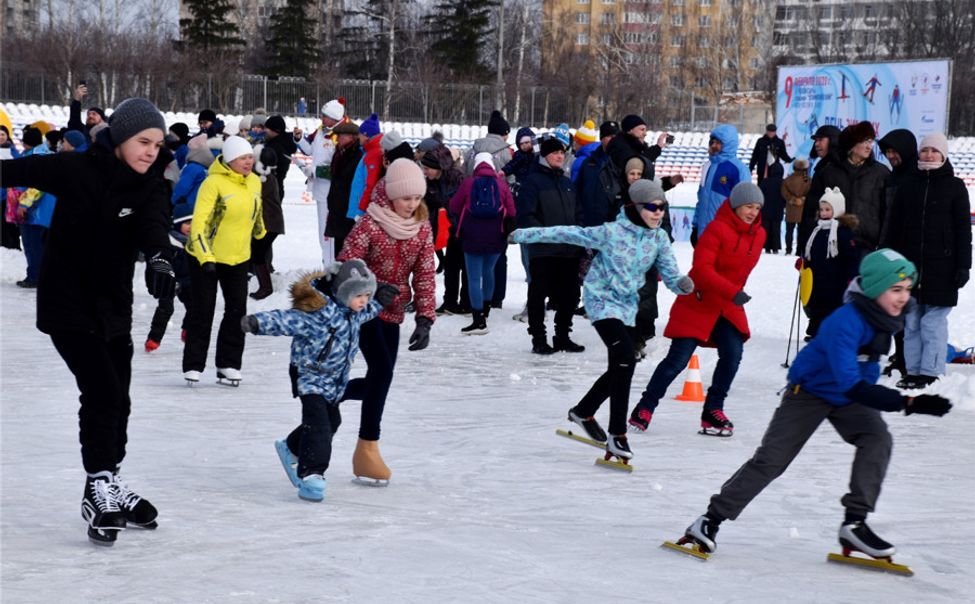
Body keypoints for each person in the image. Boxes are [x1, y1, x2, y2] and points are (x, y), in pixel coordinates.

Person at [678, 249, 953, 559]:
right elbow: (850, 381)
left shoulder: (886, 317)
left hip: (849, 396)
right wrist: (908, 402)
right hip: (809, 392)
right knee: (772, 460)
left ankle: (854, 524)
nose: (903, 298)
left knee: (877, 439)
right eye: (895, 289)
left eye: (906, 289)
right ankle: (709, 520)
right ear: (876, 288)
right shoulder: (845, 322)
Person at [2, 98, 178, 544]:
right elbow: (17, 173)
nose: (151, 152)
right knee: (101, 389)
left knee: (120, 397)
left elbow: (154, 227)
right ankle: (97, 484)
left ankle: (109, 480)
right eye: (143, 142)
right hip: (67, 305)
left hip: (113, 307)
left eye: (157, 144)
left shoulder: (152, 186)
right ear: (120, 138)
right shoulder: (76, 169)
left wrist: (159, 257)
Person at [512, 180, 693, 460]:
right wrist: (524, 234)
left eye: (662, 207)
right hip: (601, 302)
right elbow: (567, 233)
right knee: (625, 359)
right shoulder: (611, 232)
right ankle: (617, 436)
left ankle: (583, 411)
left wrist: (681, 283)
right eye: (652, 207)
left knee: (622, 366)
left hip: (628, 308)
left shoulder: (659, 239)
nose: (659, 213)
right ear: (634, 207)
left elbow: (670, 273)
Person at [242, 261, 398, 501]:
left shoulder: (353, 313)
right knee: (320, 426)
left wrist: (380, 300)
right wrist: (258, 323)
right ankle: (311, 475)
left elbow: (368, 311)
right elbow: (287, 319)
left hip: (335, 382)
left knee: (332, 419)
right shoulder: (318, 314)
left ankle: (291, 447)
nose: (364, 300)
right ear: (342, 293)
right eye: (359, 295)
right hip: (310, 377)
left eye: (367, 294)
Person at [629, 182, 767, 436]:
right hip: (699, 299)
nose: (752, 212)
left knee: (733, 353)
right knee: (677, 360)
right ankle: (645, 407)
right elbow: (702, 270)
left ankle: (713, 411)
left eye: (757, 208)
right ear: (736, 205)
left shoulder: (759, 235)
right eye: (748, 206)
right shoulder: (717, 229)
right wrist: (731, 291)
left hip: (727, 304)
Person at [337, 159, 436, 485]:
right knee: (381, 372)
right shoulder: (369, 224)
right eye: (406, 198)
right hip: (362, 310)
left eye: (417, 198)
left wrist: (425, 318)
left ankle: (329, 395)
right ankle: (367, 449)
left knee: (382, 379)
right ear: (392, 195)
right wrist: (372, 287)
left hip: (393, 312)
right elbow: (347, 264)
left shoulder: (421, 227)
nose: (412, 205)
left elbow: (424, 274)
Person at [882, 133, 972, 390]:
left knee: (932, 323)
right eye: (925, 150)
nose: (929, 155)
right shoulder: (908, 185)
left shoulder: (954, 187)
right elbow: (894, 226)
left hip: (943, 268)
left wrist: (963, 265)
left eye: (934, 150)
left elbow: (963, 229)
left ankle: (930, 372)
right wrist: (888, 259)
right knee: (911, 322)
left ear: (943, 154)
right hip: (910, 268)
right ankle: (913, 370)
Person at [182, 136, 266, 385]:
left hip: (238, 257)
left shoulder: (253, 182)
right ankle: (194, 365)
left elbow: (256, 211)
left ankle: (228, 364)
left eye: (250, 156)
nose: (248, 161)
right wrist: (206, 257)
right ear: (230, 160)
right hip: (205, 255)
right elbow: (200, 223)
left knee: (237, 311)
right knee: (203, 310)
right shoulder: (213, 183)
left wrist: (260, 235)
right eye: (242, 158)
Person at [517, 137, 584, 355]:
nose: (560, 156)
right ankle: (538, 338)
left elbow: (579, 214)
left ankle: (562, 336)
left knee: (571, 296)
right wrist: (547, 236)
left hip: (569, 250)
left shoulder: (567, 184)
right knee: (538, 294)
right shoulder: (533, 182)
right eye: (555, 152)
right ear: (545, 155)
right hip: (543, 251)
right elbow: (527, 216)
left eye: (562, 152)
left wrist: (578, 235)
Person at [448, 152, 517, 334]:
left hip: (471, 237)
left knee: (473, 278)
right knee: (489, 273)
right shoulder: (502, 185)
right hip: (496, 238)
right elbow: (511, 211)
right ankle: (486, 311)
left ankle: (478, 320)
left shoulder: (468, 183)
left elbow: (454, 206)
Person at [801, 122, 889, 255]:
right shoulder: (828, 172)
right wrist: (807, 243)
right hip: (832, 244)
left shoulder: (881, 173)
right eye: (864, 141)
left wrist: (883, 243)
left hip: (867, 246)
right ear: (851, 145)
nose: (869, 146)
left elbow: (886, 212)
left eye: (870, 141)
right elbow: (811, 210)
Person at [802, 188, 860, 339]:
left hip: (836, 281)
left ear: (838, 210)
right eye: (821, 209)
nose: (824, 213)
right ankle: (816, 334)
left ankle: (831, 334)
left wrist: (850, 277)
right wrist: (804, 262)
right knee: (817, 308)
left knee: (832, 309)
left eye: (828, 209)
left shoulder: (843, 232)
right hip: (818, 280)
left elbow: (851, 257)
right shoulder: (817, 230)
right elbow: (811, 250)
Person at [295, 97, 346, 266]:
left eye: (325, 116)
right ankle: (327, 264)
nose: (322, 119)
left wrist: (315, 171)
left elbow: (339, 168)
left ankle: (331, 268)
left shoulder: (341, 136)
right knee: (321, 234)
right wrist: (300, 138)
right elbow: (310, 150)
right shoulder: (321, 131)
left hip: (331, 193)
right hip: (319, 190)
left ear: (334, 118)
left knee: (328, 234)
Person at [11, 126, 57, 288]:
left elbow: (37, 186)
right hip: (46, 210)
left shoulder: (36, 157)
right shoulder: (48, 154)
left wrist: (24, 204)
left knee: (33, 245)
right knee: (41, 246)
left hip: (35, 210)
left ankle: (35, 277)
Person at [692, 124, 750, 244]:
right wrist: (695, 226)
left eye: (718, 143)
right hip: (703, 232)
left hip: (726, 233)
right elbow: (701, 199)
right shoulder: (707, 166)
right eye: (712, 142)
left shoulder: (739, 169)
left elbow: (744, 204)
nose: (713, 146)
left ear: (728, 145)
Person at [249, 145, 284, 300]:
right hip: (270, 223)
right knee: (258, 253)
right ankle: (265, 286)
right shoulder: (269, 177)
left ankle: (266, 287)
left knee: (258, 253)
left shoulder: (265, 180)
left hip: (269, 223)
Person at [324, 120, 363, 256]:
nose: (338, 139)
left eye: (342, 136)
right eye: (338, 136)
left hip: (348, 210)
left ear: (352, 137)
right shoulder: (339, 153)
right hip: (337, 208)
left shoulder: (357, 155)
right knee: (338, 248)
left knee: (348, 249)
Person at [465, 110, 512, 174]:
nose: (508, 137)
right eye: (507, 134)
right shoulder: (505, 152)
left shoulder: (472, 151)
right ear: (503, 133)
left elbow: (464, 174)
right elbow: (511, 178)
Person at [781, 158, 811, 255]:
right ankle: (799, 250)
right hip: (803, 210)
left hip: (791, 209)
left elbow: (784, 193)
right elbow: (811, 193)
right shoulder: (808, 180)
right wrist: (802, 199)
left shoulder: (788, 179)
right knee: (801, 231)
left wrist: (793, 199)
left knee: (789, 230)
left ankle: (788, 249)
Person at [759, 147, 786, 254]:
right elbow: (785, 195)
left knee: (766, 229)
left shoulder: (765, 181)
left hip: (765, 209)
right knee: (776, 229)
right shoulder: (783, 182)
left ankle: (767, 247)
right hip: (778, 209)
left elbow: (760, 193)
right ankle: (775, 247)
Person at [0, 124, 23, 250]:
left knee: (9, 225)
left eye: (3, 134)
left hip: (8, 195)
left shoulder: (13, 151)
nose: (0, 137)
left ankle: (12, 246)